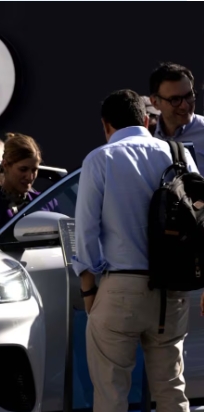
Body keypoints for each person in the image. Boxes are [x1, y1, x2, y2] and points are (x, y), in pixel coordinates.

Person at [73, 89, 198, 412]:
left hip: (121, 286)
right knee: (172, 390)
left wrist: (88, 291)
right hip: (172, 289)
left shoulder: (100, 158)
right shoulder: (179, 155)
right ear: (145, 120)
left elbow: (85, 230)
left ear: (106, 125)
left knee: (111, 394)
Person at [0, 133, 58, 235]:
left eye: (34, 170)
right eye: (23, 169)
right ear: (5, 165)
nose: (30, 177)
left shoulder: (47, 202)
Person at [149, 62, 204, 166]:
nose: (184, 106)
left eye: (189, 96)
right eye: (175, 100)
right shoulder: (147, 137)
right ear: (155, 102)